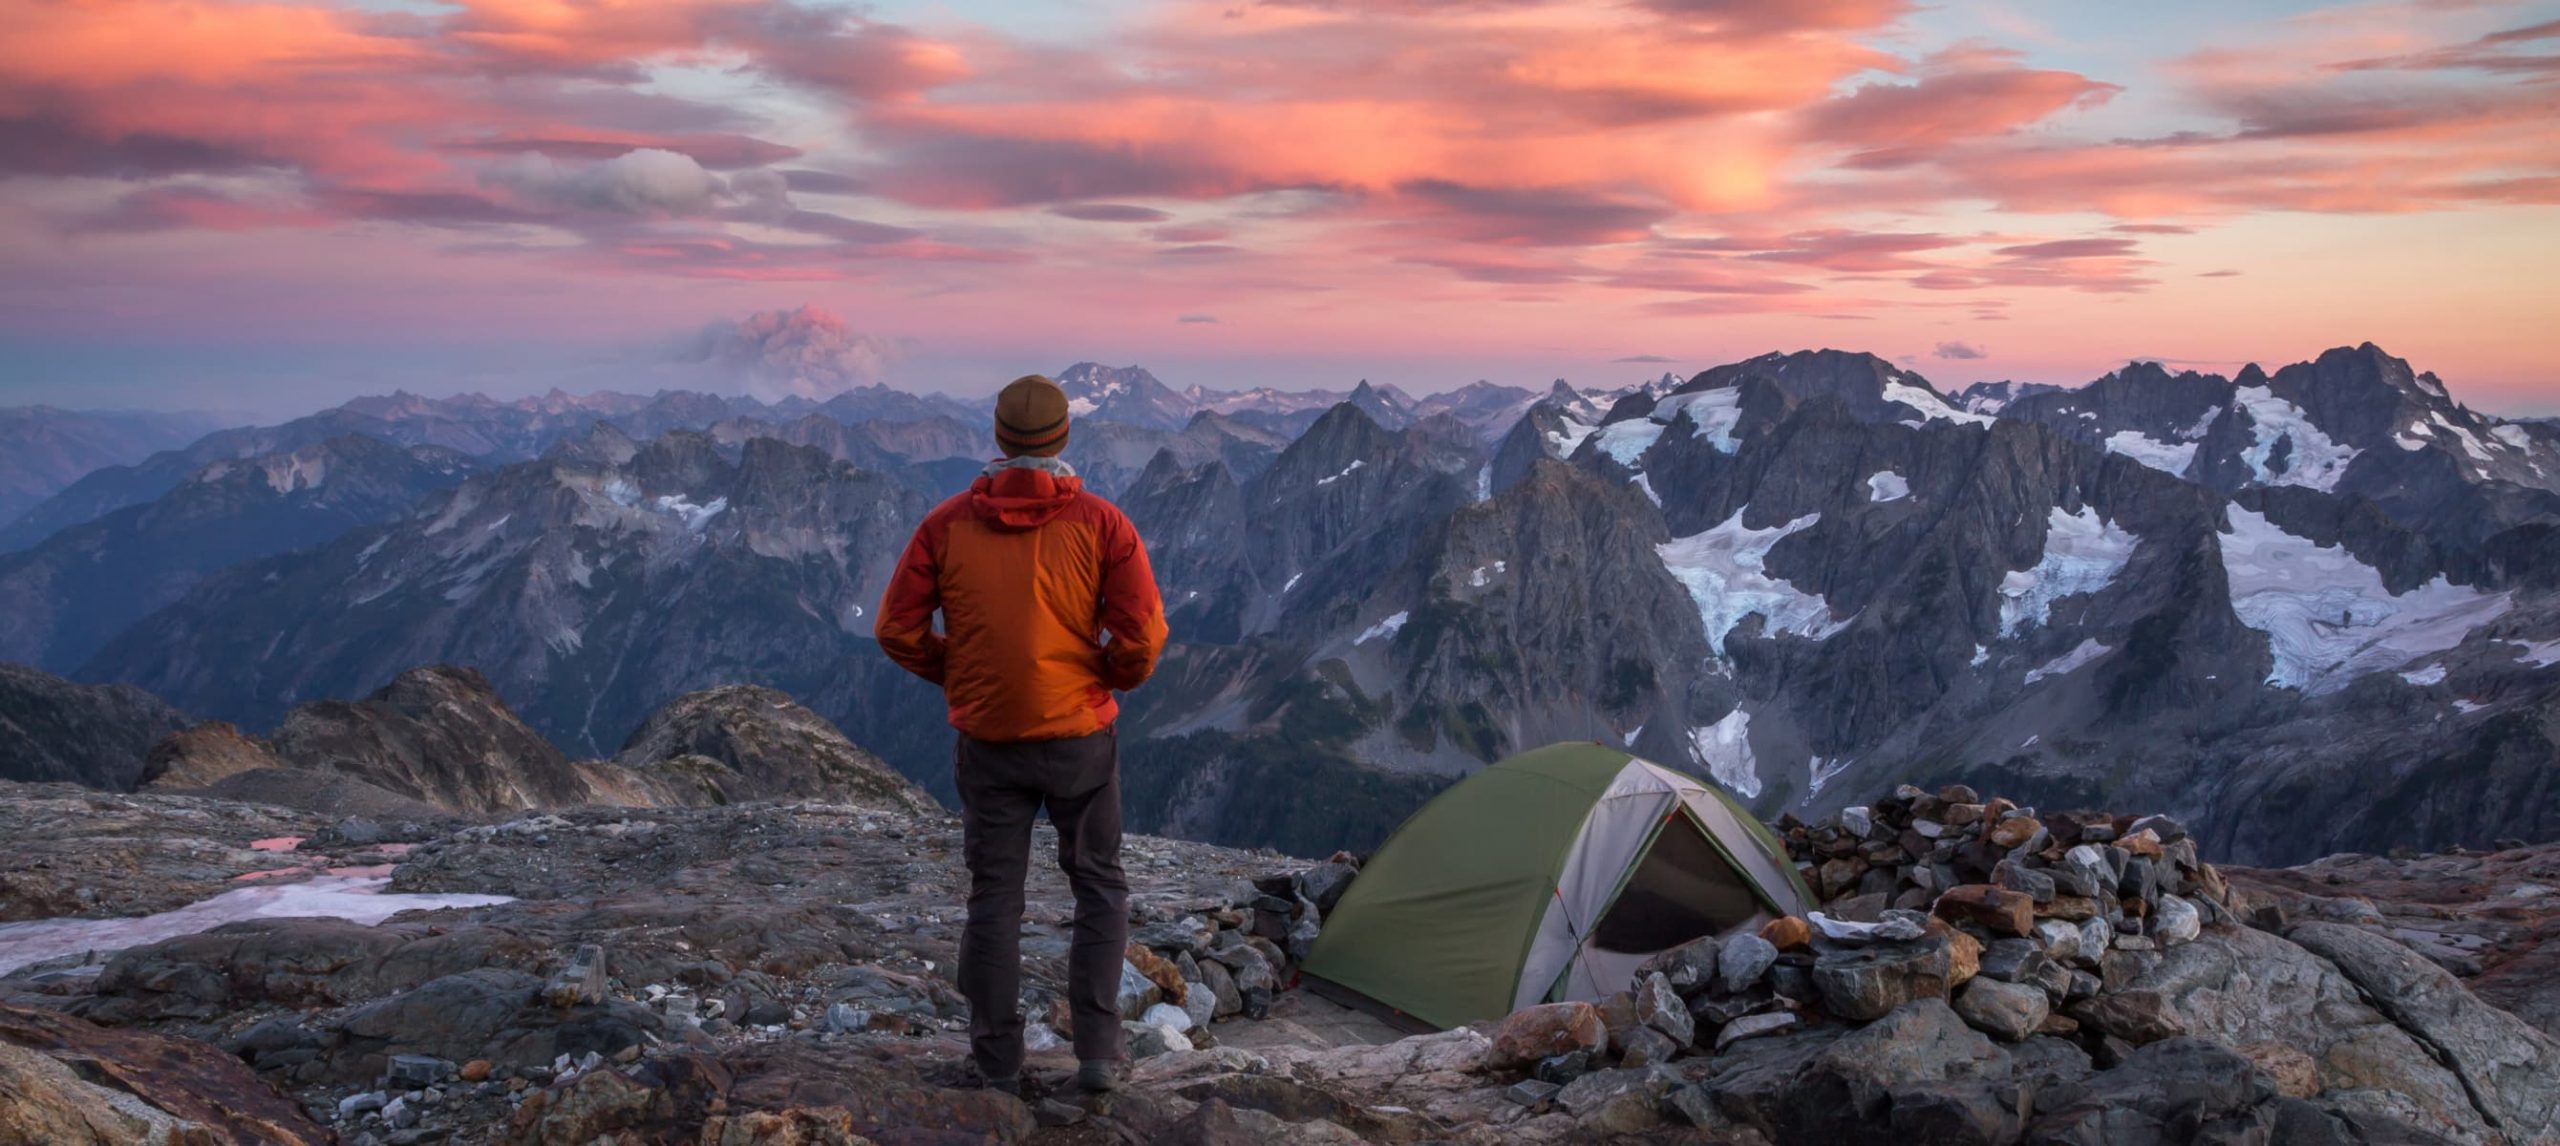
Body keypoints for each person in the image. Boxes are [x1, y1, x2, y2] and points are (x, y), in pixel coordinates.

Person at [875, 373, 1169, 1097]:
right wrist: (1104, 675)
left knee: (995, 894)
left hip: (989, 742)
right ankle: (1099, 1054)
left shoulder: (945, 525)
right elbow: (1144, 636)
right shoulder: (1104, 525)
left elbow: (896, 629)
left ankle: (998, 1063)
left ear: (1000, 438)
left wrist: (960, 673)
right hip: (1079, 738)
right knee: (1098, 886)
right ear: (1064, 437)